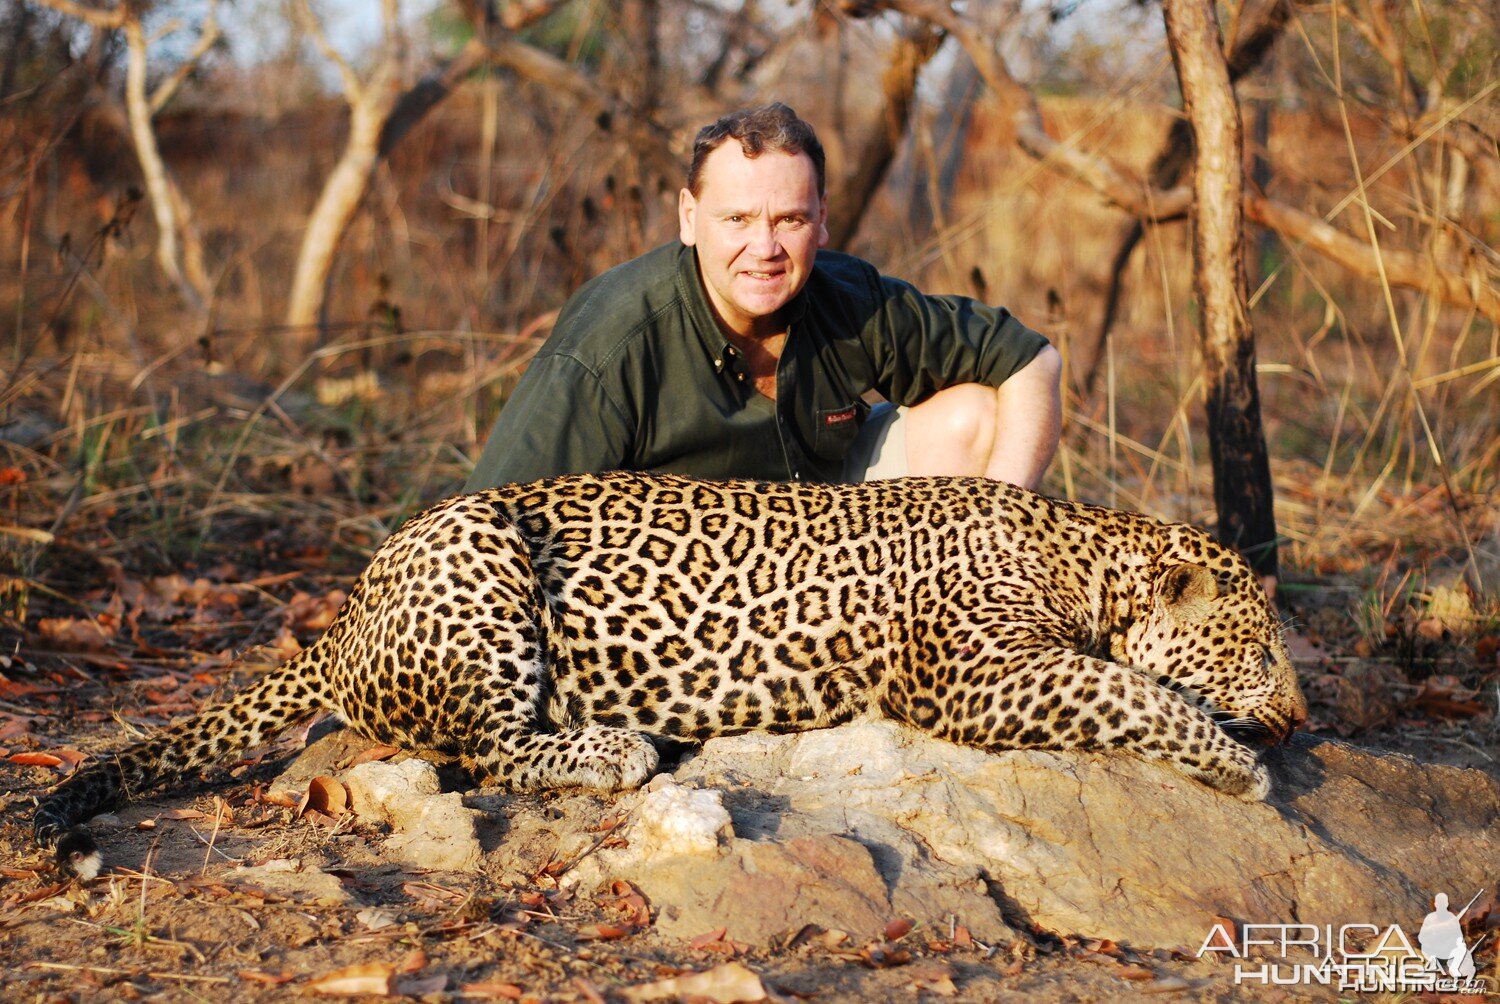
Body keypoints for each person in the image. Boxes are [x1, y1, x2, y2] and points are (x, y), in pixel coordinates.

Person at [465, 103, 1061, 492]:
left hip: (831, 542)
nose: (764, 247)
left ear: (822, 221)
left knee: (975, 417)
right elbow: (485, 520)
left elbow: (1034, 359)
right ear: (689, 217)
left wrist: (1000, 528)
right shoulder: (612, 339)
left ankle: (924, 642)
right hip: (679, 590)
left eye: (790, 220)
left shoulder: (850, 296)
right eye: (737, 219)